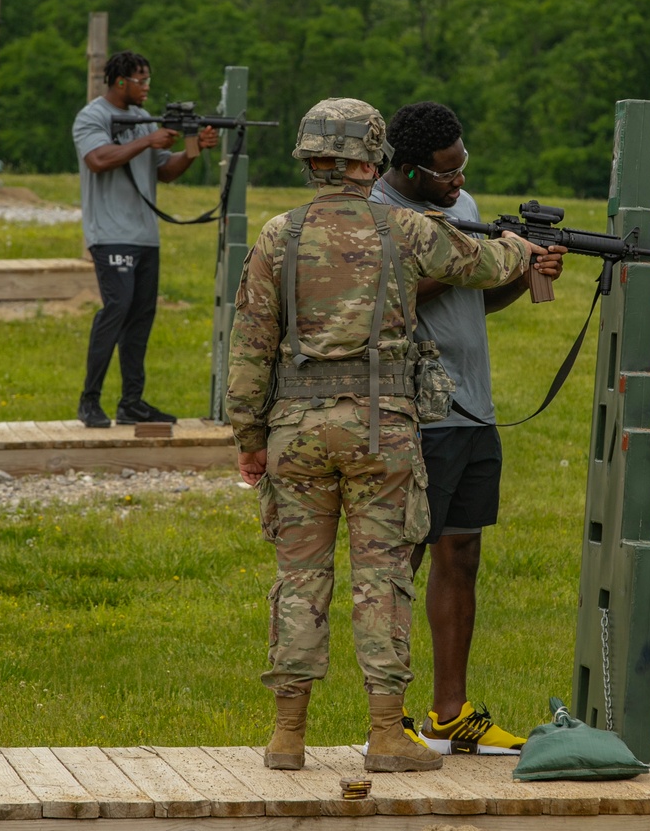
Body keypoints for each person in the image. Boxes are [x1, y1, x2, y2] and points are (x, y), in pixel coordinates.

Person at [226, 97, 539, 775]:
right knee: (382, 579)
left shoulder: (279, 234)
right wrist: (523, 247)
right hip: (381, 430)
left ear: (311, 159)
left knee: (299, 582)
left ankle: (287, 734)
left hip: (295, 433)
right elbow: (483, 265)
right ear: (374, 159)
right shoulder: (404, 229)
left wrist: (249, 435)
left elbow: (250, 342)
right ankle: (386, 733)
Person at [372, 101, 565, 754]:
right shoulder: (377, 212)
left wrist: (522, 270)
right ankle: (387, 717)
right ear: (408, 168)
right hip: (417, 413)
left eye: (463, 169)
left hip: (474, 410)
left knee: (463, 555)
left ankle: (449, 713)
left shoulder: (462, 204)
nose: (458, 183)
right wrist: (467, 259)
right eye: (446, 174)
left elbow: (476, 293)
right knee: (405, 558)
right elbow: (386, 294)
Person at [72, 49, 220, 427]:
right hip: (109, 235)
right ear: (120, 81)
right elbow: (98, 160)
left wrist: (193, 148)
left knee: (140, 318)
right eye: (141, 81)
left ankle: (131, 402)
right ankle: (90, 401)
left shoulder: (141, 121)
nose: (147, 89)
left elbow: (165, 172)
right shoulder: (93, 116)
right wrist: (147, 140)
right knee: (116, 309)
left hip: (144, 236)